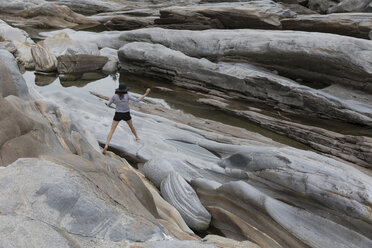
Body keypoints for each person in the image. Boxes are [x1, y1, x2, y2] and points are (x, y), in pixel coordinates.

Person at [102, 83, 150, 154]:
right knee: (131, 127)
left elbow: (108, 105)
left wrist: (110, 100)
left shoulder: (115, 96)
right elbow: (137, 100)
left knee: (112, 130)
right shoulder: (127, 95)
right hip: (126, 114)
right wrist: (146, 93)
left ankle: (106, 145)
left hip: (118, 114)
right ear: (125, 90)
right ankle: (136, 137)